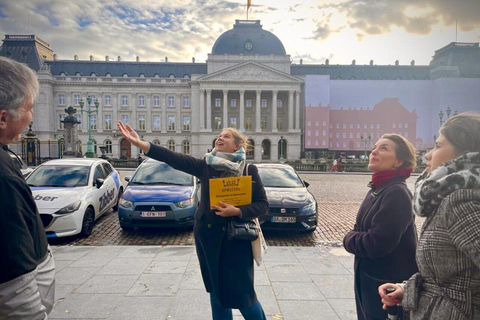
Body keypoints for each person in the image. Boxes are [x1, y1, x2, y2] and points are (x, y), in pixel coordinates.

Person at [118, 122, 268, 320]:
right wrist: (142, 144)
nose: (220, 138)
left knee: (244, 296)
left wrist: (237, 211)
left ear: (238, 146)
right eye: (219, 135)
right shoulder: (206, 165)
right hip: (209, 239)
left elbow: (263, 206)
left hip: (237, 241)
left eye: (227, 136)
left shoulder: (249, 170)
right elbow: (174, 158)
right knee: (216, 293)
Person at [379, 112, 480, 320]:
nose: (428, 154)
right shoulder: (448, 197)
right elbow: (453, 278)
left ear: (466, 156)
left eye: (438, 146)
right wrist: (407, 290)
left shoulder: (462, 201)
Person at [0, 57, 55, 318]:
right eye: (29, 106)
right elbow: (12, 266)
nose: (32, 115)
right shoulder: (2, 173)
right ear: (3, 117)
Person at [343, 134, 418, 320]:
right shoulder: (378, 189)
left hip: (386, 288)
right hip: (370, 280)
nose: (374, 151)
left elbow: (376, 243)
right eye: (375, 147)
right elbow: (360, 229)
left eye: (384, 148)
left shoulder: (396, 193)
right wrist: (357, 235)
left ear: (399, 161)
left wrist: (347, 238)